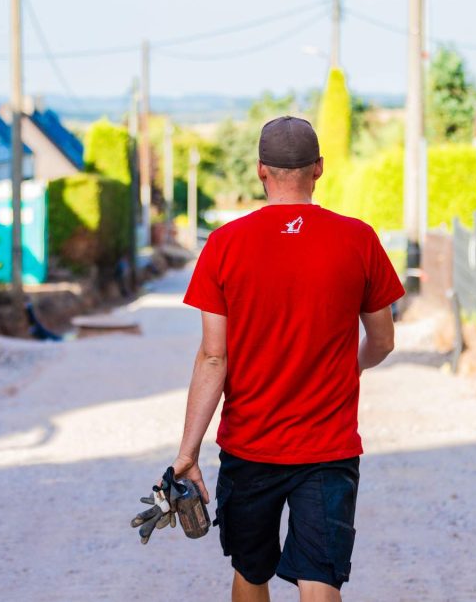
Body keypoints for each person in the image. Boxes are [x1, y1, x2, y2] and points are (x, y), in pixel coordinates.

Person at [171, 116, 404, 601]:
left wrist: (187, 454)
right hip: (329, 448)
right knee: (320, 576)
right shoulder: (358, 239)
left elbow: (215, 358)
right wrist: (352, 366)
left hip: (250, 446)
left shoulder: (224, 244)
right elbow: (382, 340)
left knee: (251, 571)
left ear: (261, 170)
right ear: (318, 169)